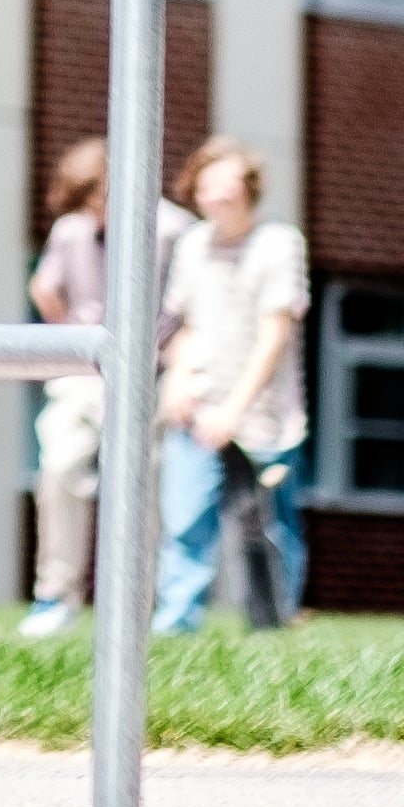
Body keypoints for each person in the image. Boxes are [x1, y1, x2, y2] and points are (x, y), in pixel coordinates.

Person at [19, 134, 200, 640]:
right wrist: (73, 338)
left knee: (141, 488)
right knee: (58, 471)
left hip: (150, 372)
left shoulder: (172, 228)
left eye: (96, 199)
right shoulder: (72, 229)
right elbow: (44, 285)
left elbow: (191, 309)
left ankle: (135, 605)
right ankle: (55, 595)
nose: (92, 212)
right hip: (84, 373)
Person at [154, 135, 310, 637]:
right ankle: (176, 628)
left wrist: (234, 410)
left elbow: (275, 333)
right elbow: (186, 323)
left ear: (249, 190)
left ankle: (271, 628)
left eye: (225, 185)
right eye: (204, 186)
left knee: (265, 528)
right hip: (197, 407)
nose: (214, 196)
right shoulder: (192, 245)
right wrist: (178, 381)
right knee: (183, 521)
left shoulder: (279, 243)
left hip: (264, 416)